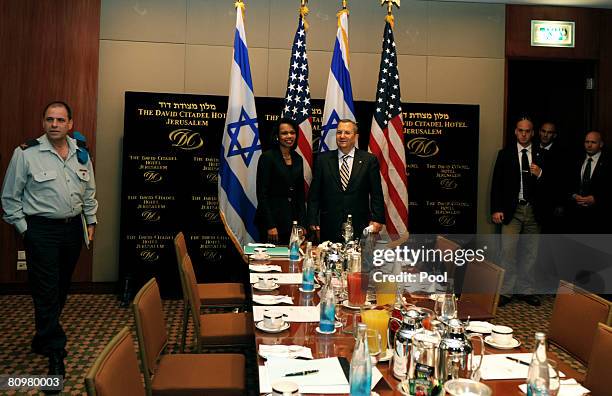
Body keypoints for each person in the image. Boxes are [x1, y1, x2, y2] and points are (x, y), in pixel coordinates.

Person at [1, 101, 98, 385]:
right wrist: (25, 230)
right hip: (40, 230)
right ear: (43, 123)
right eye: (49, 120)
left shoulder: (81, 153)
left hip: (72, 231)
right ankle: (55, 351)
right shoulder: (26, 154)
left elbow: (89, 190)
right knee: (45, 289)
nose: (54, 124)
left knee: (60, 287)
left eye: (60, 120)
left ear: (70, 124)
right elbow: (10, 197)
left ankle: (42, 338)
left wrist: (91, 221)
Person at [490, 116, 546, 306]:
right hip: (512, 211)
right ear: (515, 131)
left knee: (531, 253)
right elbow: (496, 183)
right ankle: (506, 291)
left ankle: (526, 290)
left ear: (533, 132)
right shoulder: (505, 154)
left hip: (533, 210)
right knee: (508, 251)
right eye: (520, 130)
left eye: (527, 131)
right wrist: (496, 209)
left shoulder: (541, 154)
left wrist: (541, 175)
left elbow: (555, 186)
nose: (523, 134)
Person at [307, 119, 385, 242]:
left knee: (357, 260)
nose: (342, 136)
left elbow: (376, 194)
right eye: (339, 132)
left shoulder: (369, 160)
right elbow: (314, 194)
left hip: (359, 225)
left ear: (356, 136)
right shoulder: (323, 160)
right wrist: (312, 220)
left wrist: (378, 219)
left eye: (347, 133)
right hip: (329, 225)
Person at [255, 118, 306, 243]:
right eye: (284, 133)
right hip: (273, 224)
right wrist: (270, 225)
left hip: (292, 223)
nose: (289, 136)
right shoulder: (267, 157)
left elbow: (300, 194)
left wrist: (302, 224)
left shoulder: (298, 158)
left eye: (292, 132)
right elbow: (262, 194)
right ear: (277, 136)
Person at [567, 131, 611, 233]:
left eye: (593, 142)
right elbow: (567, 183)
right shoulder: (575, 159)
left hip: (599, 218)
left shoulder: (609, 162)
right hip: (575, 216)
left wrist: (596, 199)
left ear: (601, 144)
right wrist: (573, 195)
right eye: (587, 142)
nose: (589, 145)